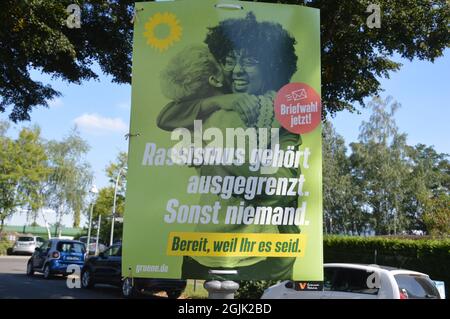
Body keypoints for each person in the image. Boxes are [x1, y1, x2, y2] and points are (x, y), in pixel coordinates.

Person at [157, 12, 301, 281]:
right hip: (208, 247)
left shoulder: (282, 118)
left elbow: (281, 187)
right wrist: (220, 102)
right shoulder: (216, 104)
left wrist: (224, 157)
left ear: (271, 68)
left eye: (250, 61)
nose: (237, 70)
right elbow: (165, 116)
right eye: (230, 60)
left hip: (262, 252)